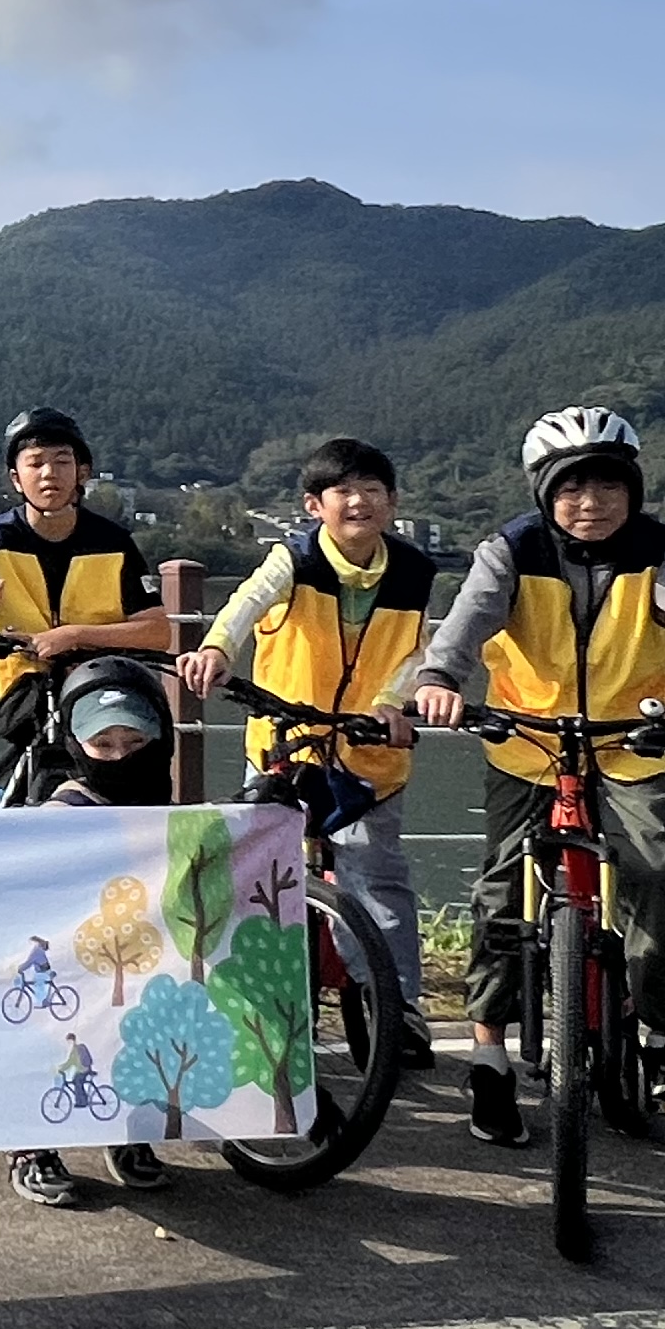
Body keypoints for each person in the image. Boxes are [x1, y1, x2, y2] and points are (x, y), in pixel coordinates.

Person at [407, 407, 665, 1145]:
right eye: (570, 488)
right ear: (543, 493)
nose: (589, 503)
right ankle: (490, 1056)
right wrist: (440, 676)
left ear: (633, 488)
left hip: (634, 741)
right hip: (527, 741)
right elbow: (469, 618)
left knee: (658, 877)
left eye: (606, 486)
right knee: (500, 891)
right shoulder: (511, 549)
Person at [178, 437, 435, 1069]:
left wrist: (393, 701)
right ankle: (257, 1004)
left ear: (392, 502)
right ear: (314, 505)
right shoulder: (290, 561)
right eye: (343, 491)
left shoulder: (415, 572)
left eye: (372, 490)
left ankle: (397, 1006)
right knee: (261, 877)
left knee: (377, 879)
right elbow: (244, 606)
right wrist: (216, 649)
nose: (359, 502)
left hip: (368, 750)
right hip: (283, 745)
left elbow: (420, 652)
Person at [12, 651, 183, 1207]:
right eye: (102, 745)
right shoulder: (63, 812)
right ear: (76, 746)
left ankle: (129, 1131)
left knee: (153, 1020)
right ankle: (31, 1145)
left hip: (135, 958)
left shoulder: (170, 810)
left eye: (134, 745)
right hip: (64, 961)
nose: (119, 757)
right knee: (57, 1035)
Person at [0, 411, 176, 735]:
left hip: (102, 687)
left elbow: (157, 631)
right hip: (24, 691)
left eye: (62, 462)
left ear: (82, 473)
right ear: (16, 478)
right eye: (35, 463)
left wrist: (75, 635)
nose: (49, 474)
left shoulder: (113, 543)